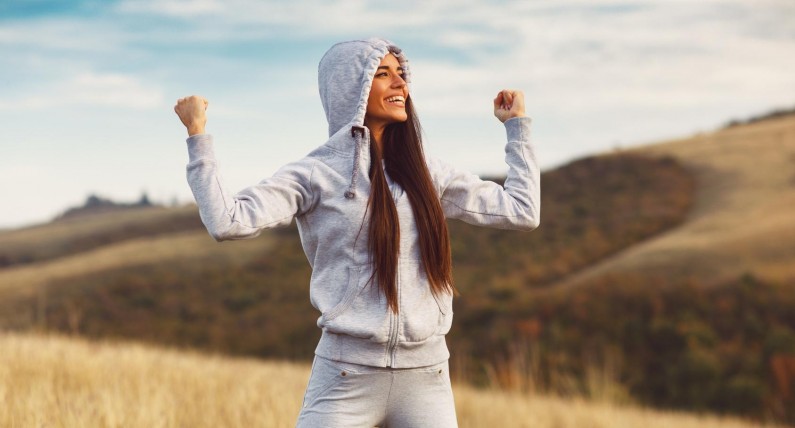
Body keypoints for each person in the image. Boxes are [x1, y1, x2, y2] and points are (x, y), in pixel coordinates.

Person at [174, 38, 539, 428]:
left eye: (401, 75)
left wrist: (517, 128)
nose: (400, 84)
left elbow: (522, 211)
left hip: (427, 378)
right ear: (353, 89)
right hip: (345, 378)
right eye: (383, 75)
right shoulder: (315, 173)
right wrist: (199, 137)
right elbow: (228, 221)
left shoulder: (428, 173)